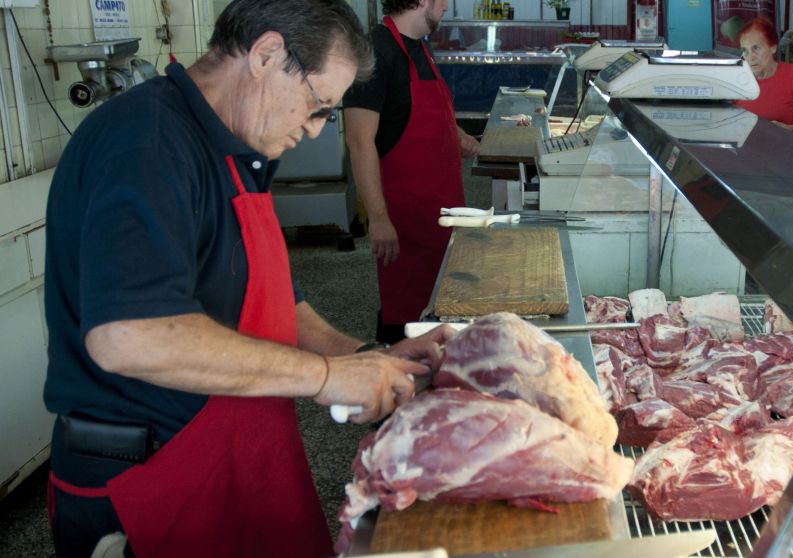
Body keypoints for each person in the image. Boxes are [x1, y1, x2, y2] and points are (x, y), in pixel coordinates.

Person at [43, 1, 454, 556]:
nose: (313, 132)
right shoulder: (147, 144)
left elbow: (273, 296)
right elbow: (127, 336)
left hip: (234, 454)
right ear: (266, 55)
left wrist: (367, 356)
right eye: (316, 106)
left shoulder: (237, 145)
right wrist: (324, 376)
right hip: (150, 481)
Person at [343, 0, 481, 344]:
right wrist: (377, 218)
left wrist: (457, 136)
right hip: (404, 221)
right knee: (406, 320)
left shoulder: (419, 45)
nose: (447, 5)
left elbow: (406, 115)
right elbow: (360, 142)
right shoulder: (375, 50)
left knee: (438, 313)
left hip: (441, 215)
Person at [735, 18, 793, 127]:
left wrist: (786, 130)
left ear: (773, 47)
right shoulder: (736, 78)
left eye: (756, 48)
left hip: (783, 142)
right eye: (745, 50)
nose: (750, 57)